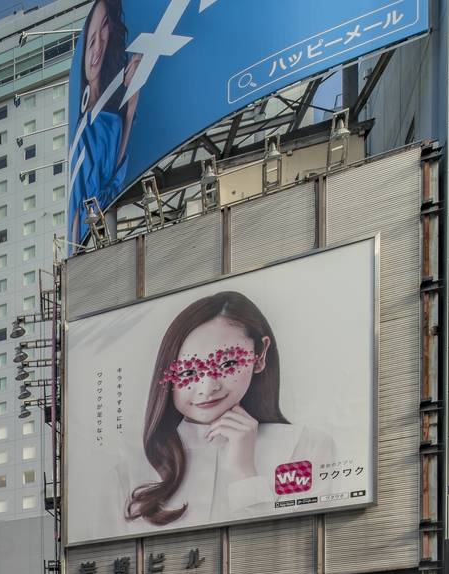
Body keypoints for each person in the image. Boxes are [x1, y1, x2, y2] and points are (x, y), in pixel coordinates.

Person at [108, 291, 335, 531]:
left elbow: (294, 551)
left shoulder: (303, 445)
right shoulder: (130, 468)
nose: (207, 388)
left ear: (259, 355)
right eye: (187, 373)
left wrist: (244, 472)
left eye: (227, 364)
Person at [69, 0, 141, 244]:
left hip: (102, 224)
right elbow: (76, 212)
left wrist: (131, 103)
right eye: (90, 41)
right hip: (85, 238)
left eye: (104, 27)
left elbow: (117, 167)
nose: (97, 44)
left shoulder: (113, 111)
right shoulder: (81, 128)